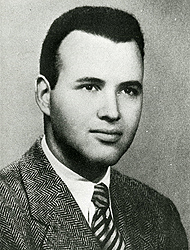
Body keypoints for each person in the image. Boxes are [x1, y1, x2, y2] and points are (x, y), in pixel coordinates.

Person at [0, 6, 188, 250]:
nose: (112, 112)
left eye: (128, 90)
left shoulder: (161, 216)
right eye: (90, 87)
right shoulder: (6, 213)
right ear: (45, 96)